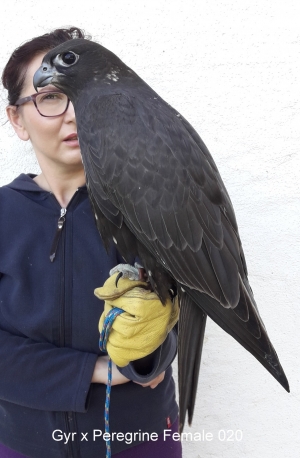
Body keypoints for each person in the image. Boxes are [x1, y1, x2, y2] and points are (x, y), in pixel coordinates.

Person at [0, 27, 182, 458]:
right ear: (17, 120)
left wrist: (144, 357)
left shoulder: (146, 206)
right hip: (24, 443)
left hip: (139, 439)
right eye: (49, 97)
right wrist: (97, 369)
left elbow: (178, 317)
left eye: (84, 93)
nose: (74, 114)